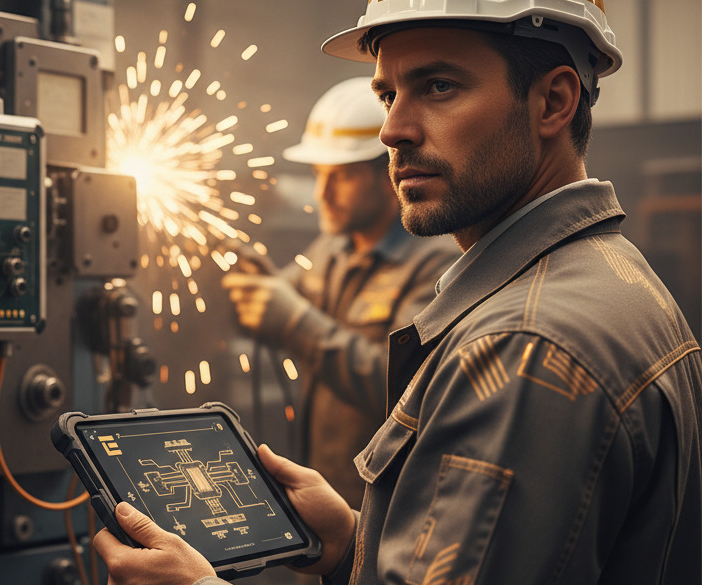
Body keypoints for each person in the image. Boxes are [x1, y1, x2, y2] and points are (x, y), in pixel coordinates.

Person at [93, 1, 702, 584]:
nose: (392, 130)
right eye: (388, 94)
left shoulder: (523, 347)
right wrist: (352, 548)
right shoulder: (608, 273)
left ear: (554, 101)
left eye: (439, 86)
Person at [220, 77, 458, 509]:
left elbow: (401, 389)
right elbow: (269, 304)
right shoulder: (332, 252)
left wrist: (294, 321)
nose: (321, 194)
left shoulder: (435, 263)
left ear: (389, 174)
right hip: (319, 498)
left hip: (382, 513)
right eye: (318, 175)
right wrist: (255, 280)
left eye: (341, 177)